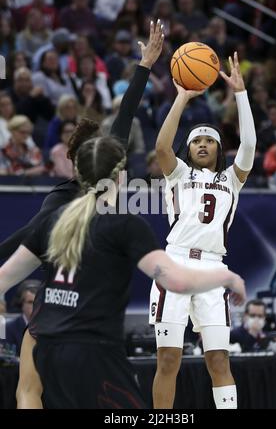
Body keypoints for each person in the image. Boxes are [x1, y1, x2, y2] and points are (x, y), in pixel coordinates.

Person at [0, 132, 246, 409]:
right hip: (93, 346)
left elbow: (4, 278)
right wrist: (227, 276)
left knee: (29, 394)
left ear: (79, 173)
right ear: (119, 178)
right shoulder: (124, 225)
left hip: (43, 336)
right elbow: (175, 280)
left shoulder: (53, 221)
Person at [0, 20, 164, 409]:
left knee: (31, 391)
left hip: (56, 319)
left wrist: (144, 66)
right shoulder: (64, 200)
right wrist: (144, 65)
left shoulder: (77, 192)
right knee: (32, 391)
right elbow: (23, 239)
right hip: (77, 321)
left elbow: (122, 121)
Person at [149, 52, 256, 410]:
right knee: (168, 359)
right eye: (197, 141)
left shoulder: (231, 180)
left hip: (213, 268)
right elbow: (162, 146)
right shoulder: (176, 173)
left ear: (218, 149)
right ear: (189, 149)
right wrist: (182, 96)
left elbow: (250, 146)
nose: (203, 144)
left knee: (219, 360)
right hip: (175, 263)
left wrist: (240, 94)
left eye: (209, 140)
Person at [2, 281, 39, 356]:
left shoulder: (51, 327)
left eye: (38, 302)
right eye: (30, 302)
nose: (35, 306)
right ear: (21, 304)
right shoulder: (7, 329)